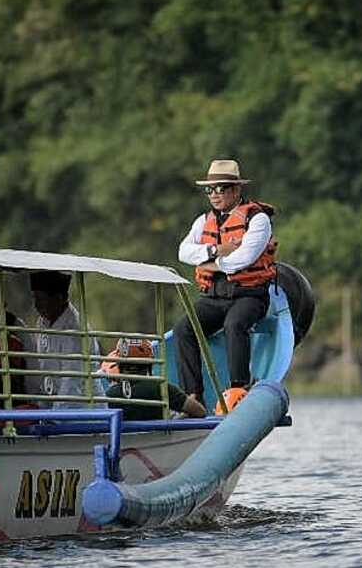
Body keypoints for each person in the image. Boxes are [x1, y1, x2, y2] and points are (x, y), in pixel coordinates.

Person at [173, 159, 277, 413]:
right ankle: (194, 396)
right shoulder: (203, 221)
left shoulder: (258, 219)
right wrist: (217, 250)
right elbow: (183, 252)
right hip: (213, 297)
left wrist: (210, 262)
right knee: (183, 329)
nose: (215, 194)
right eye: (210, 189)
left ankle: (238, 390)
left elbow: (243, 259)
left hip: (250, 296)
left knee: (235, 324)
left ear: (236, 190)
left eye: (221, 188)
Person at [27, 271, 106, 408]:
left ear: (58, 299)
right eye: (35, 298)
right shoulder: (42, 322)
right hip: (56, 401)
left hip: (83, 409)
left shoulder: (74, 330)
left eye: (41, 299)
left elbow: (71, 382)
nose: (36, 305)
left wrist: (55, 417)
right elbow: (42, 367)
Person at [100, 338, 206, 419]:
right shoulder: (161, 388)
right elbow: (200, 412)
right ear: (148, 364)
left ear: (119, 363)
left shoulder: (109, 395)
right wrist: (181, 417)